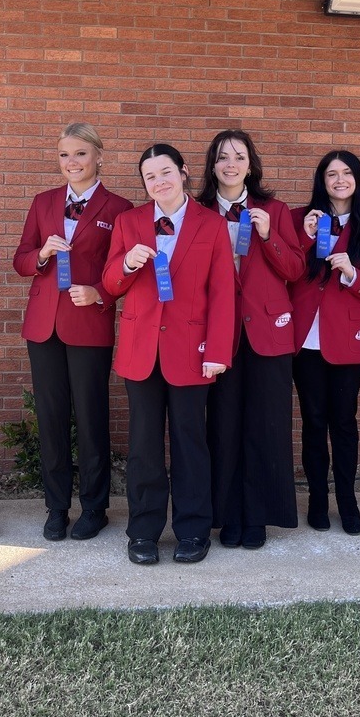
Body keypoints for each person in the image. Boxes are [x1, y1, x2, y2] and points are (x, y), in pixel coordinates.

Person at [102, 144, 236, 566]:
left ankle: (193, 530)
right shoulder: (128, 222)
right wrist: (126, 263)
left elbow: (223, 294)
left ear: (182, 172)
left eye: (165, 172)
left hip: (192, 354)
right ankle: (143, 531)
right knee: (143, 447)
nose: (158, 182)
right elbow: (109, 284)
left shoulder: (211, 224)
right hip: (142, 352)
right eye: (150, 177)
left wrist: (217, 351)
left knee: (190, 444)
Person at [13, 122, 132, 542]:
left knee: (91, 417)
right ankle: (56, 506)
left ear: (99, 156)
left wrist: (99, 291)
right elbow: (21, 260)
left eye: (80, 153)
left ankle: (95, 507)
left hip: (88, 325)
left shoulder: (119, 208)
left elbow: (125, 272)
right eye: (64, 154)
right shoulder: (43, 202)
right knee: (50, 419)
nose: (72, 162)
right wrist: (42, 254)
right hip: (43, 327)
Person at [196, 130, 304, 549]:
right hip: (217, 334)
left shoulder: (275, 211)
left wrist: (268, 236)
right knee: (222, 426)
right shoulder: (198, 212)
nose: (231, 164)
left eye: (239, 156)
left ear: (251, 165)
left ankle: (258, 515)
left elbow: (295, 270)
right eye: (222, 157)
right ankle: (227, 515)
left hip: (268, 332)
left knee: (266, 425)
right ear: (213, 165)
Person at [290, 150, 360, 535]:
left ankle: (347, 501)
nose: (340, 179)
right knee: (313, 421)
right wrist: (305, 236)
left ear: (358, 179)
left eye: (347, 173)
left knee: (343, 422)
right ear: (322, 181)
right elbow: (286, 268)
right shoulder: (302, 219)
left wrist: (351, 273)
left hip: (347, 338)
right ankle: (316, 498)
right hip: (305, 339)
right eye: (331, 174)